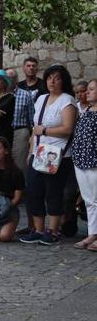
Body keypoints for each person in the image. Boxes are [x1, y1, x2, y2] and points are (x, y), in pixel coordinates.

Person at [20, 65, 78, 246]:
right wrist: (30, 152)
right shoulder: (41, 99)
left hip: (58, 155)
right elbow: (33, 130)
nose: (52, 81)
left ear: (63, 81)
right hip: (39, 153)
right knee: (34, 191)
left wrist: (45, 130)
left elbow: (68, 129)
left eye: (57, 78)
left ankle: (53, 231)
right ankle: (38, 229)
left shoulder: (67, 100)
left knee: (53, 192)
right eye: (49, 77)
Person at [71, 79, 97, 250]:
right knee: (88, 199)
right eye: (87, 89)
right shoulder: (85, 109)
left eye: (92, 89)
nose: (88, 92)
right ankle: (92, 233)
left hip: (94, 159)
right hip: (81, 158)